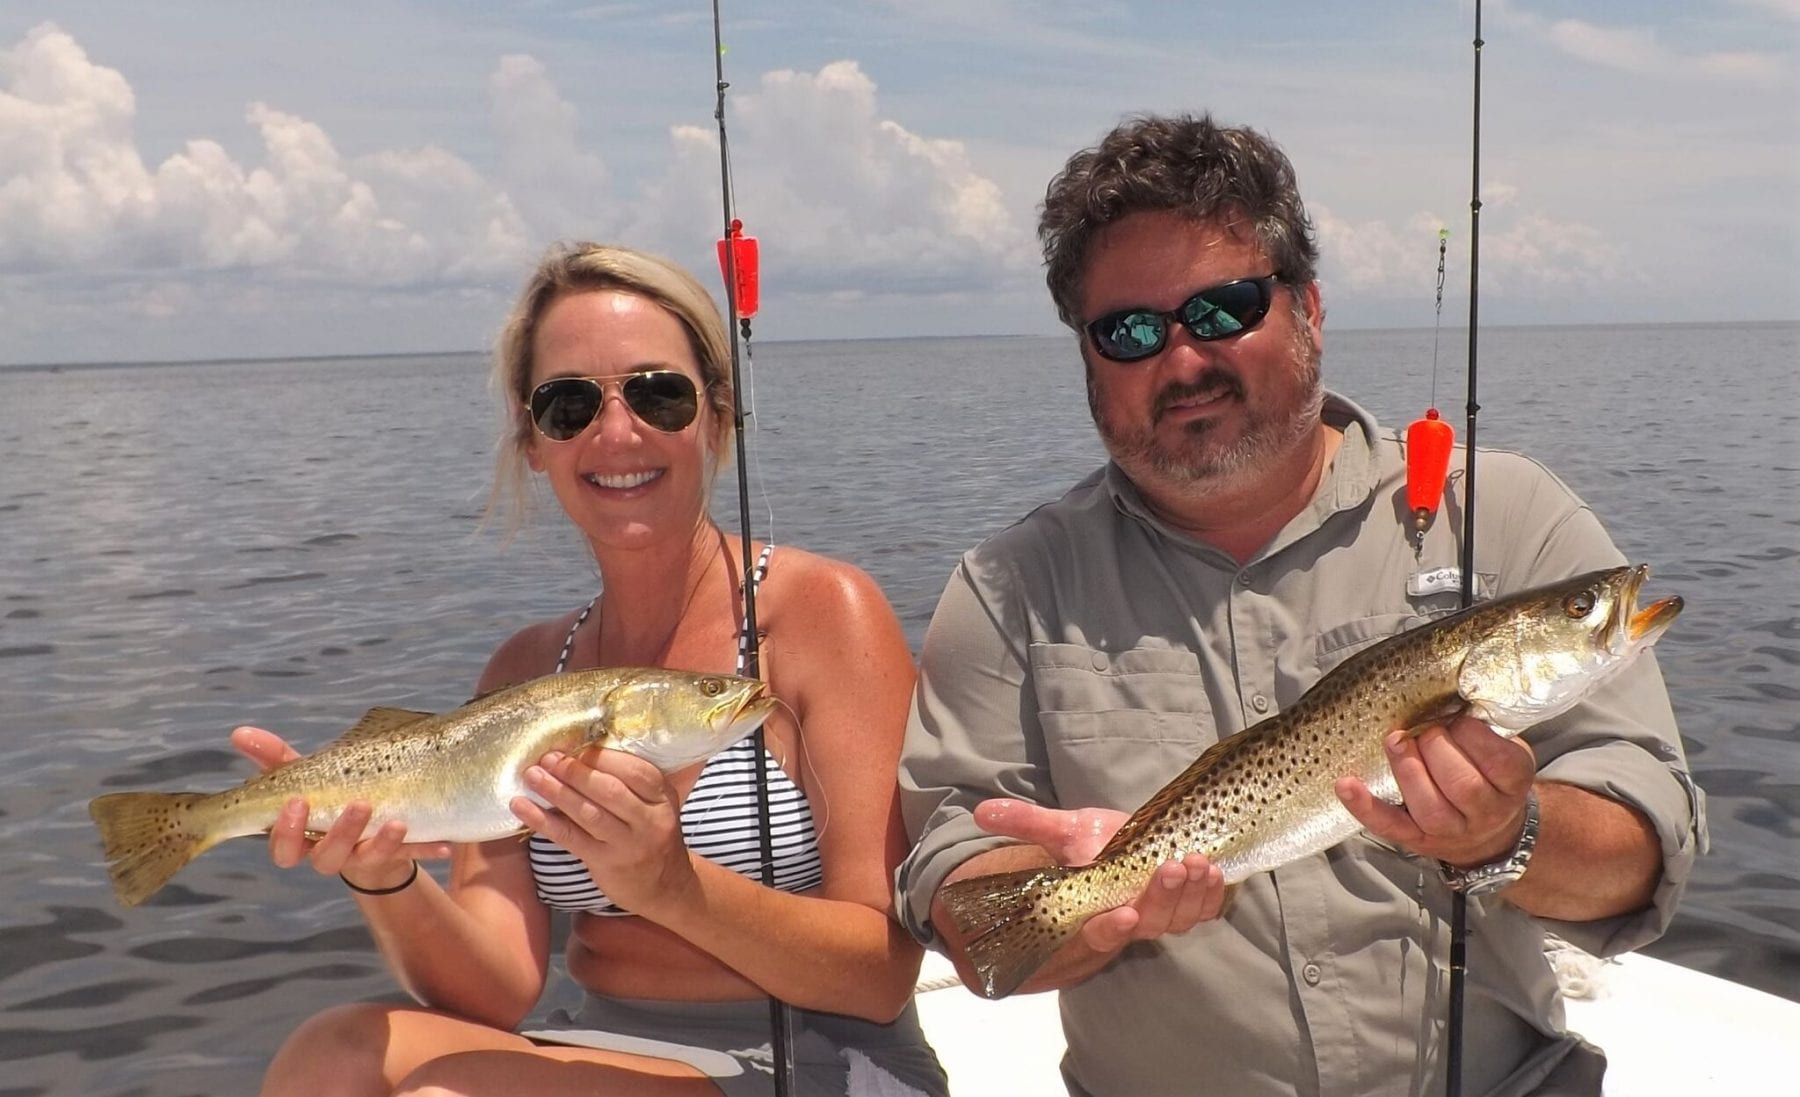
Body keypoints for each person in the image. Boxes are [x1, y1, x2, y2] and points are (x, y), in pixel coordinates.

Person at [894, 113, 1706, 1097]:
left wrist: (1508, 831)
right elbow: (964, 899)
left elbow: (1642, 845)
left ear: (1309, 308)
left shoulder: (1506, 514)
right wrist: (1091, 913)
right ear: (1088, 360)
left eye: (1225, 308)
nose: (1183, 360)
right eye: (1131, 331)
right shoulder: (1008, 587)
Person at [234, 242, 949, 1097]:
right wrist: (380, 871)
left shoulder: (824, 612)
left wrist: (671, 885)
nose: (616, 433)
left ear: (717, 418)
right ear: (533, 441)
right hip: (605, 1046)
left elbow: (880, 974)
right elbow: (495, 989)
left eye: (658, 394)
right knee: (328, 1053)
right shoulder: (527, 669)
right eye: (568, 404)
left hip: (821, 1055)